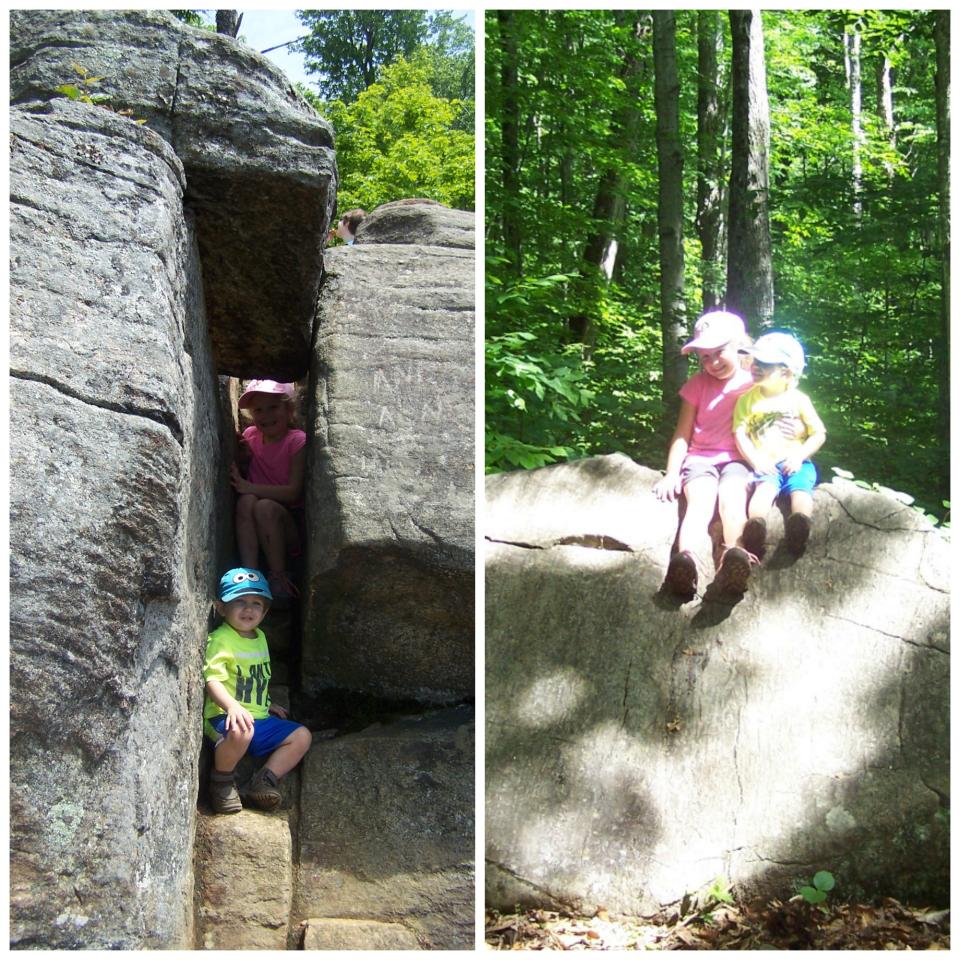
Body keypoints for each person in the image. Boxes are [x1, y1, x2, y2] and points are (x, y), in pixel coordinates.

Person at [653, 310, 757, 598]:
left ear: (739, 345)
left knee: (732, 503)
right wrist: (672, 473)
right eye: (704, 357)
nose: (712, 362)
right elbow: (682, 433)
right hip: (699, 460)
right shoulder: (697, 385)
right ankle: (684, 563)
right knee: (699, 505)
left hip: (738, 460)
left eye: (719, 352)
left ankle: (735, 560)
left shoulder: (754, 383)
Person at [204, 568, 313, 814]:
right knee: (242, 731)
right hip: (224, 717)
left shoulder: (260, 636)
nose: (249, 609)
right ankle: (221, 783)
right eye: (239, 601)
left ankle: (263, 781)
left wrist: (266, 703)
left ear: (265, 611)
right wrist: (231, 706)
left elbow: (255, 678)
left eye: (256, 603)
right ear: (222, 608)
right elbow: (213, 679)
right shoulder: (221, 639)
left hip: (258, 717)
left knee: (302, 736)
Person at [733, 331, 827, 557]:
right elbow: (739, 433)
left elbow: (819, 433)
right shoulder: (747, 399)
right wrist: (755, 461)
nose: (755, 366)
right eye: (755, 361)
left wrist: (799, 456)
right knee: (763, 490)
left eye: (764, 363)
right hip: (766, 463)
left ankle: (799, 528)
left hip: (797, 461)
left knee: (801, 491)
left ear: (785, 372)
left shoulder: (799, 399)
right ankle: (756, 528)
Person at [231, 379, 305, 601]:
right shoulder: (252, 436)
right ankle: (250, 578)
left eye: (273, 407)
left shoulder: (297, 441)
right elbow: (246, 460)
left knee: (263, 506)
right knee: (245, 502)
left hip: (286, 527)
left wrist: (248, 486)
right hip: (257, 525)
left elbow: (293, 492)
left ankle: (279, 578)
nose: (266, 415)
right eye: (258, 410)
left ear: (289, 409)